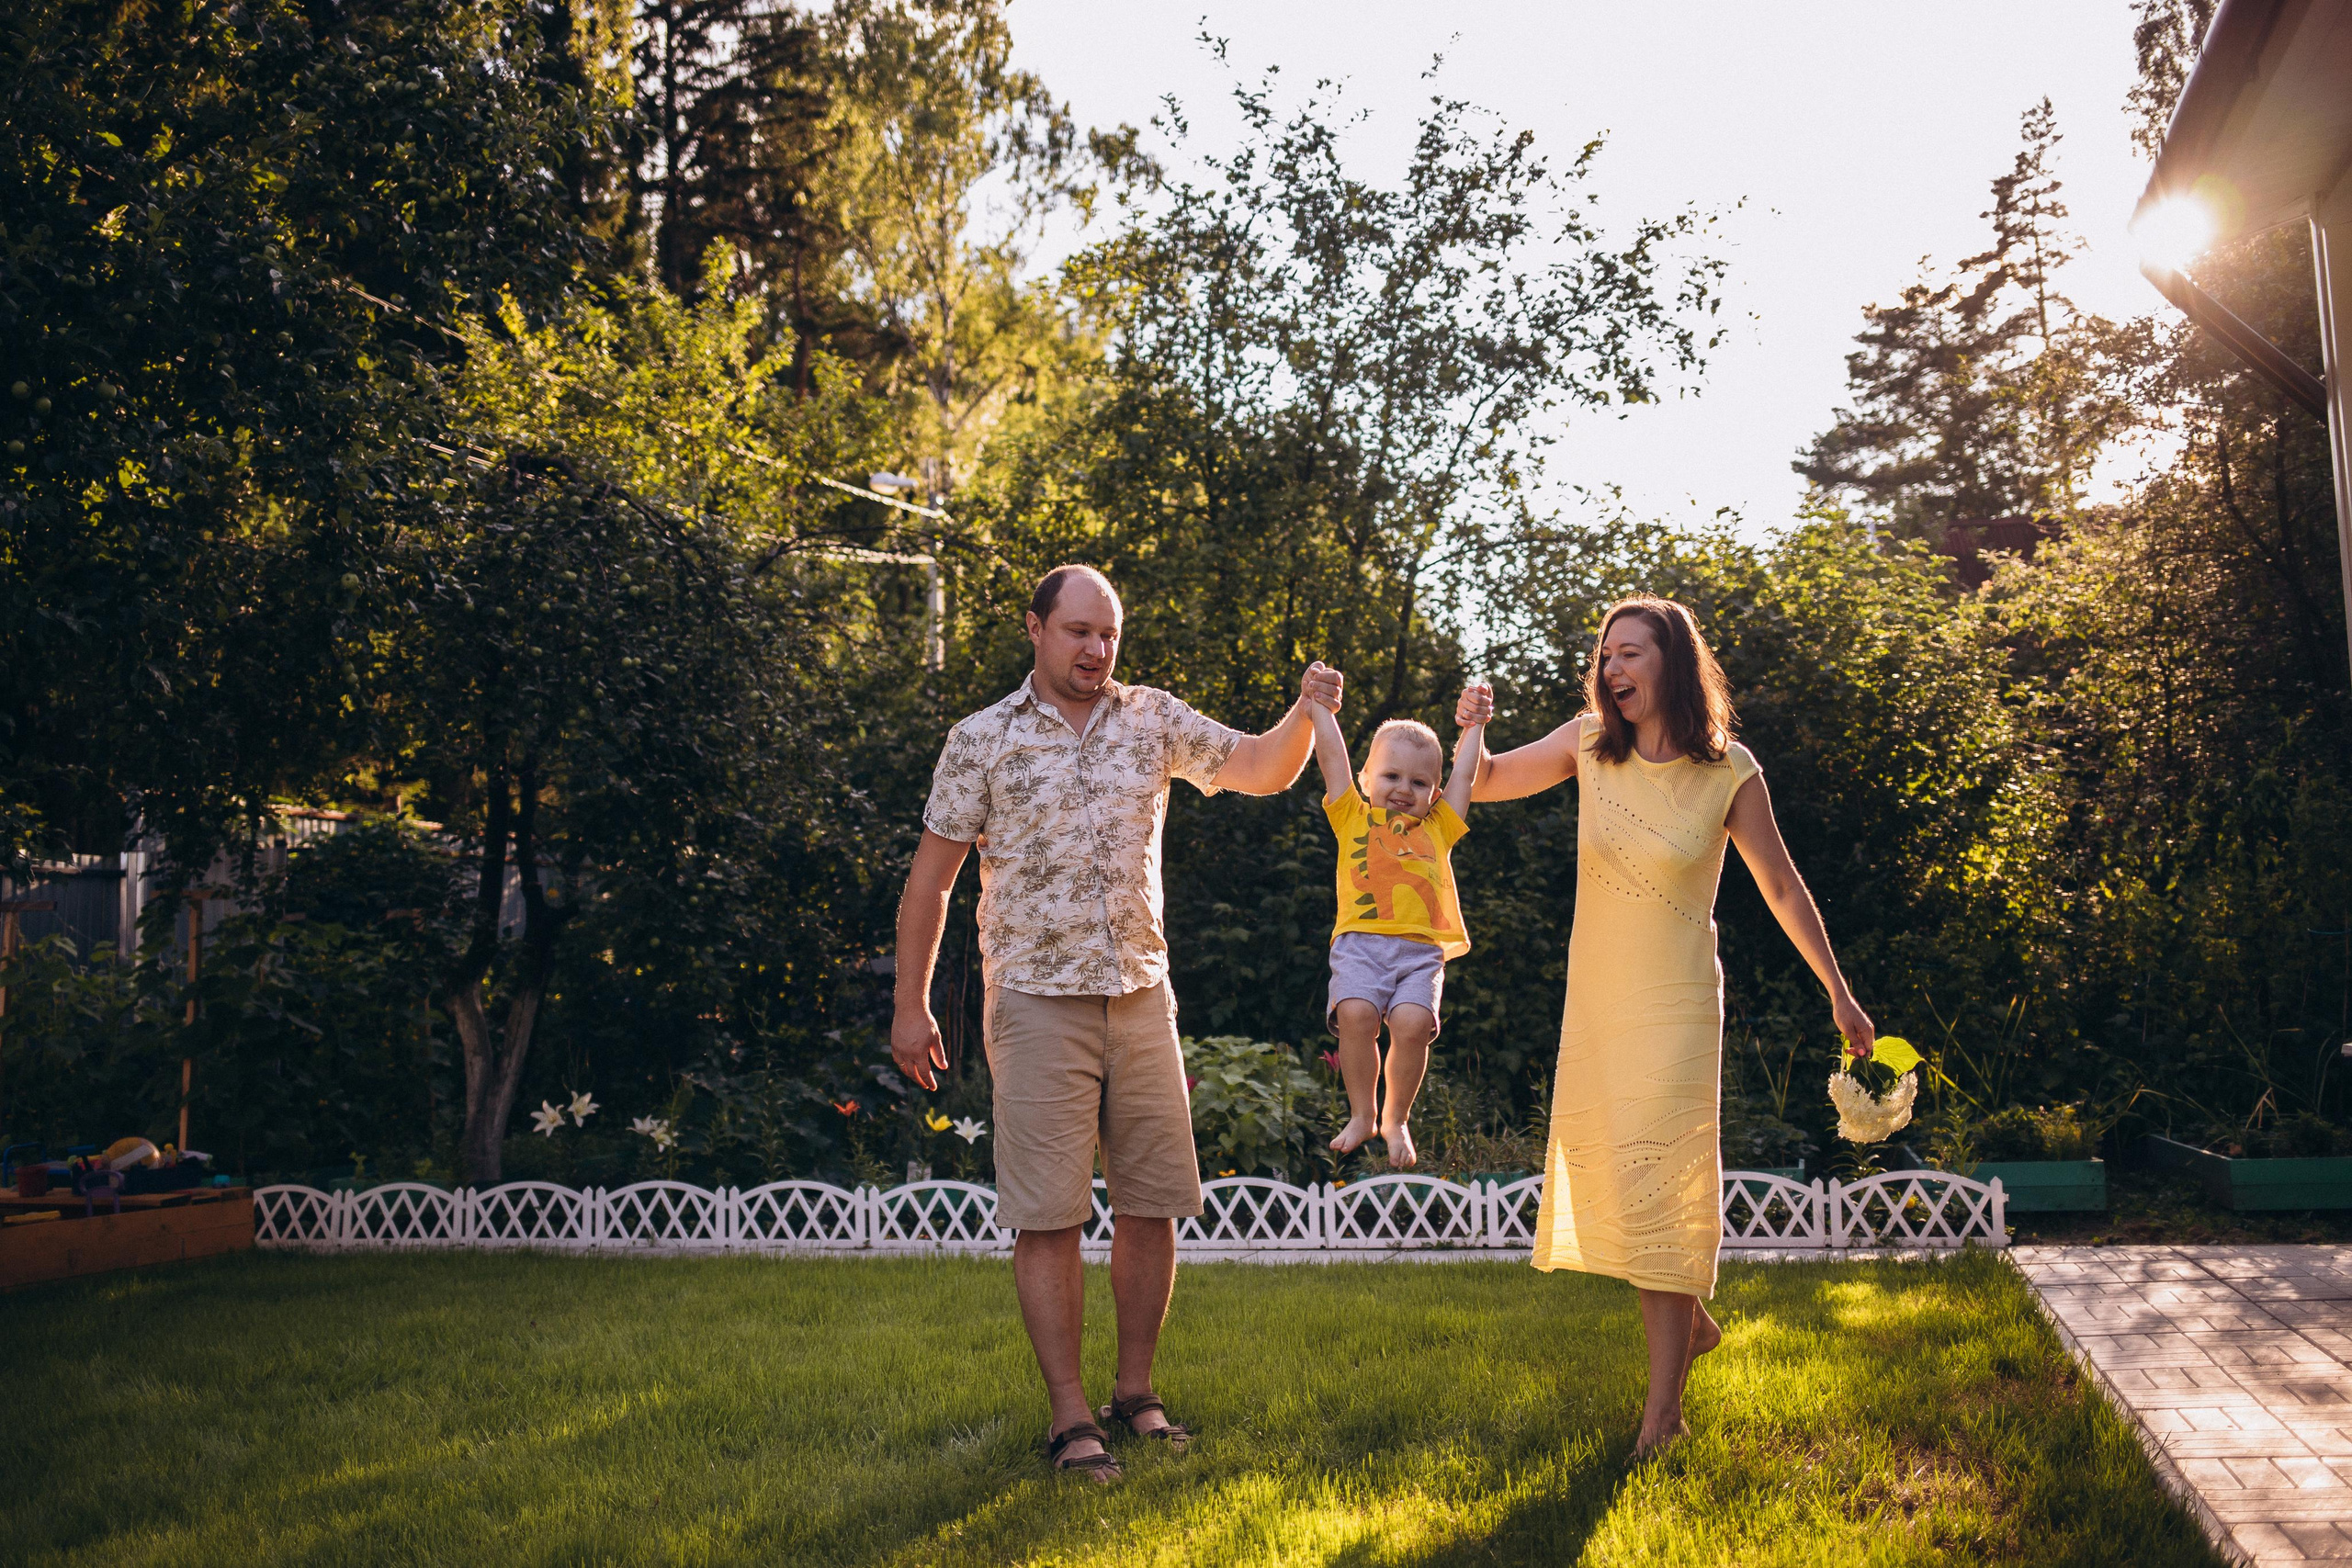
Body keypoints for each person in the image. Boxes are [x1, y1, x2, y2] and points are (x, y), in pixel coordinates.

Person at [891, 563, 1342, 1483]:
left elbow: (1258, 767)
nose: (1096, 650)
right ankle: (1068, 1419)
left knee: (1151, 1202)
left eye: (1108, 634)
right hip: (1033, 998)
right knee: (1048, 1215)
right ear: (1036, 629)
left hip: (1141, 993)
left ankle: (1135, 1394)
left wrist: (1305, 713)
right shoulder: (981, 740)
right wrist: (911, 1004)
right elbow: (930, 882)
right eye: (1078, 632)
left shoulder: (1152, 717)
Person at [1458, 596, 1875, 1459]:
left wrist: (1838, 990)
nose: (1611, 669)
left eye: (1629, 653)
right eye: (1605, 656)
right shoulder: (1587, 745)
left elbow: (1784, 887)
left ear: (1673, 664)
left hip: (1678, 1005)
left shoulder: (1729, 771)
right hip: (1601, 1001)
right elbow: (1490, 778)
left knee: (1666, 1192)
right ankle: (1691, 1322)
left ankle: (1662, 1418)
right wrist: (1469, 729)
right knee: (1620, 1176)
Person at [1305, 698, 1486, 1168]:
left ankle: (1396, 1118)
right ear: (1366, 780)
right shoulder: (1351, 816)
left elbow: (1465, 777)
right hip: (1360, 945)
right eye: (1391, 776)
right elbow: (1331, 759)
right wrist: (1319, 708)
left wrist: (1476, 726)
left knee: (1412, 1025)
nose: (1404, 789)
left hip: (1420, 954)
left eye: (1419, 781)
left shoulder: (1439, 826)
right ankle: (1362, 1114)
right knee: (1356, 1014)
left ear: (1433, 792)